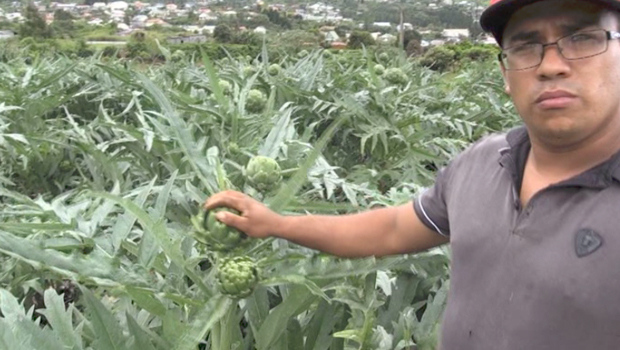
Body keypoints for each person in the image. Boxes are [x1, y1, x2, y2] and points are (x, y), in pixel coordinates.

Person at [205, 0, 620, 348]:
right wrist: (276, 224)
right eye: (527, 47)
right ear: (505, 75)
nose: (551, 65)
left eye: (581, 38)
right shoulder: (480, 163)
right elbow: (392, 228)